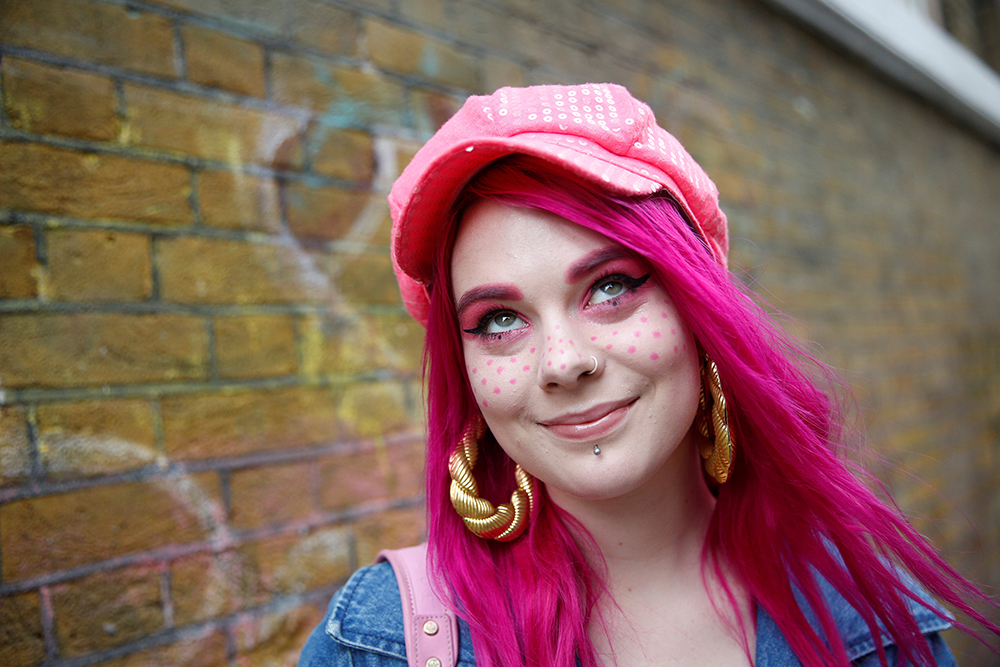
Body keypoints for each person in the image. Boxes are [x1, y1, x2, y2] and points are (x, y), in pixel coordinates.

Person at [298, 83, 998, 667]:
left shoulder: (871, 621)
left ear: (702, 312)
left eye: (610, 287)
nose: (564, 361)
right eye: (500, 320)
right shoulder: (381, 643)